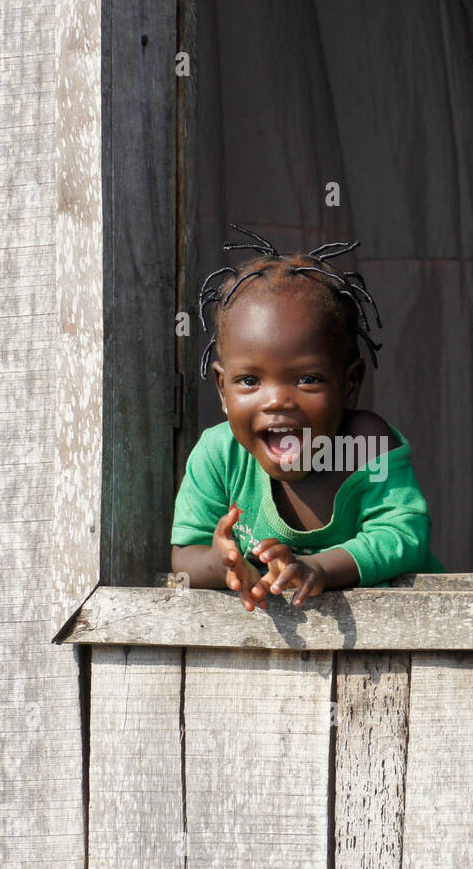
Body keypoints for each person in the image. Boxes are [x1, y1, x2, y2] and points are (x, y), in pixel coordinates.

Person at [171, 225, 444, 611]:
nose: (278, 401)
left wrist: (317, 568)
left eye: (307, 379)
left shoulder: (363, 446)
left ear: (349, 385)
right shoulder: (220, 455)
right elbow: (185, 555)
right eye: (249, 381)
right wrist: (221, 565)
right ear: (222, 390)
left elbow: (404, 535)